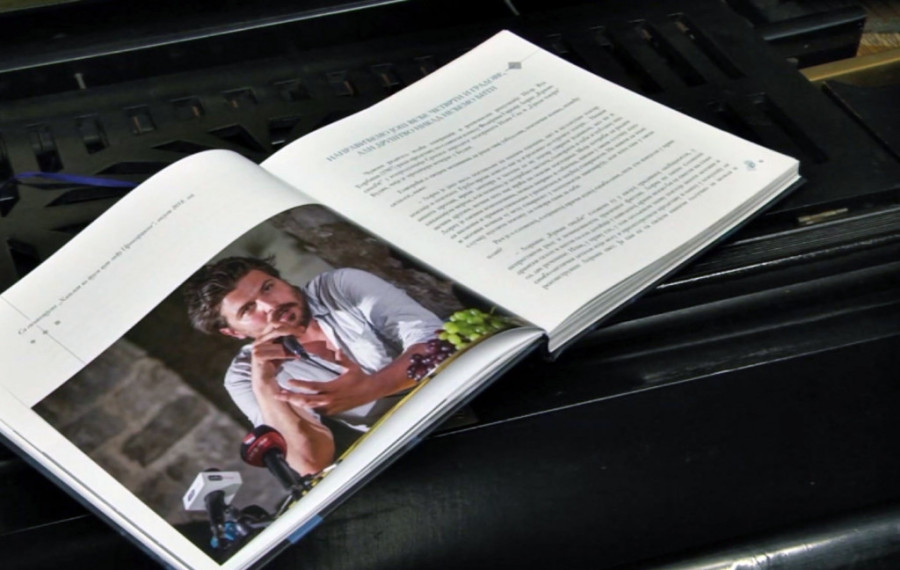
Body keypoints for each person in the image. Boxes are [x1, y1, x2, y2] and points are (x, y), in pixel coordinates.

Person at [183, 256, 443, 476]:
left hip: (453, 389)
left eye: (268, 287)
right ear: (234, 332)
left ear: (282, 280)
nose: (271, 305)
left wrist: (370, 388)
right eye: (248, 309)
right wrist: (265, 386)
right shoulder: (243, 376)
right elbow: (310, 463)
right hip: (411, 446)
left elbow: (438, 340)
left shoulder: (340, 286)